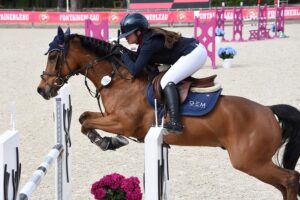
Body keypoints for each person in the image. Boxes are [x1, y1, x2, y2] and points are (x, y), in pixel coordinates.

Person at [119, 12, 207, 134]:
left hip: (194, 54)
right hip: (192, 50)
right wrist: (124, 53)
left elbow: (134, 70)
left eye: (128, 34)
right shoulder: (146, 40)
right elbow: (139, 59)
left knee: (167, 81)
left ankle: (176, 123)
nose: (125, 37)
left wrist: (123, 55)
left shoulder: (148, 43)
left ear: (138, 31)